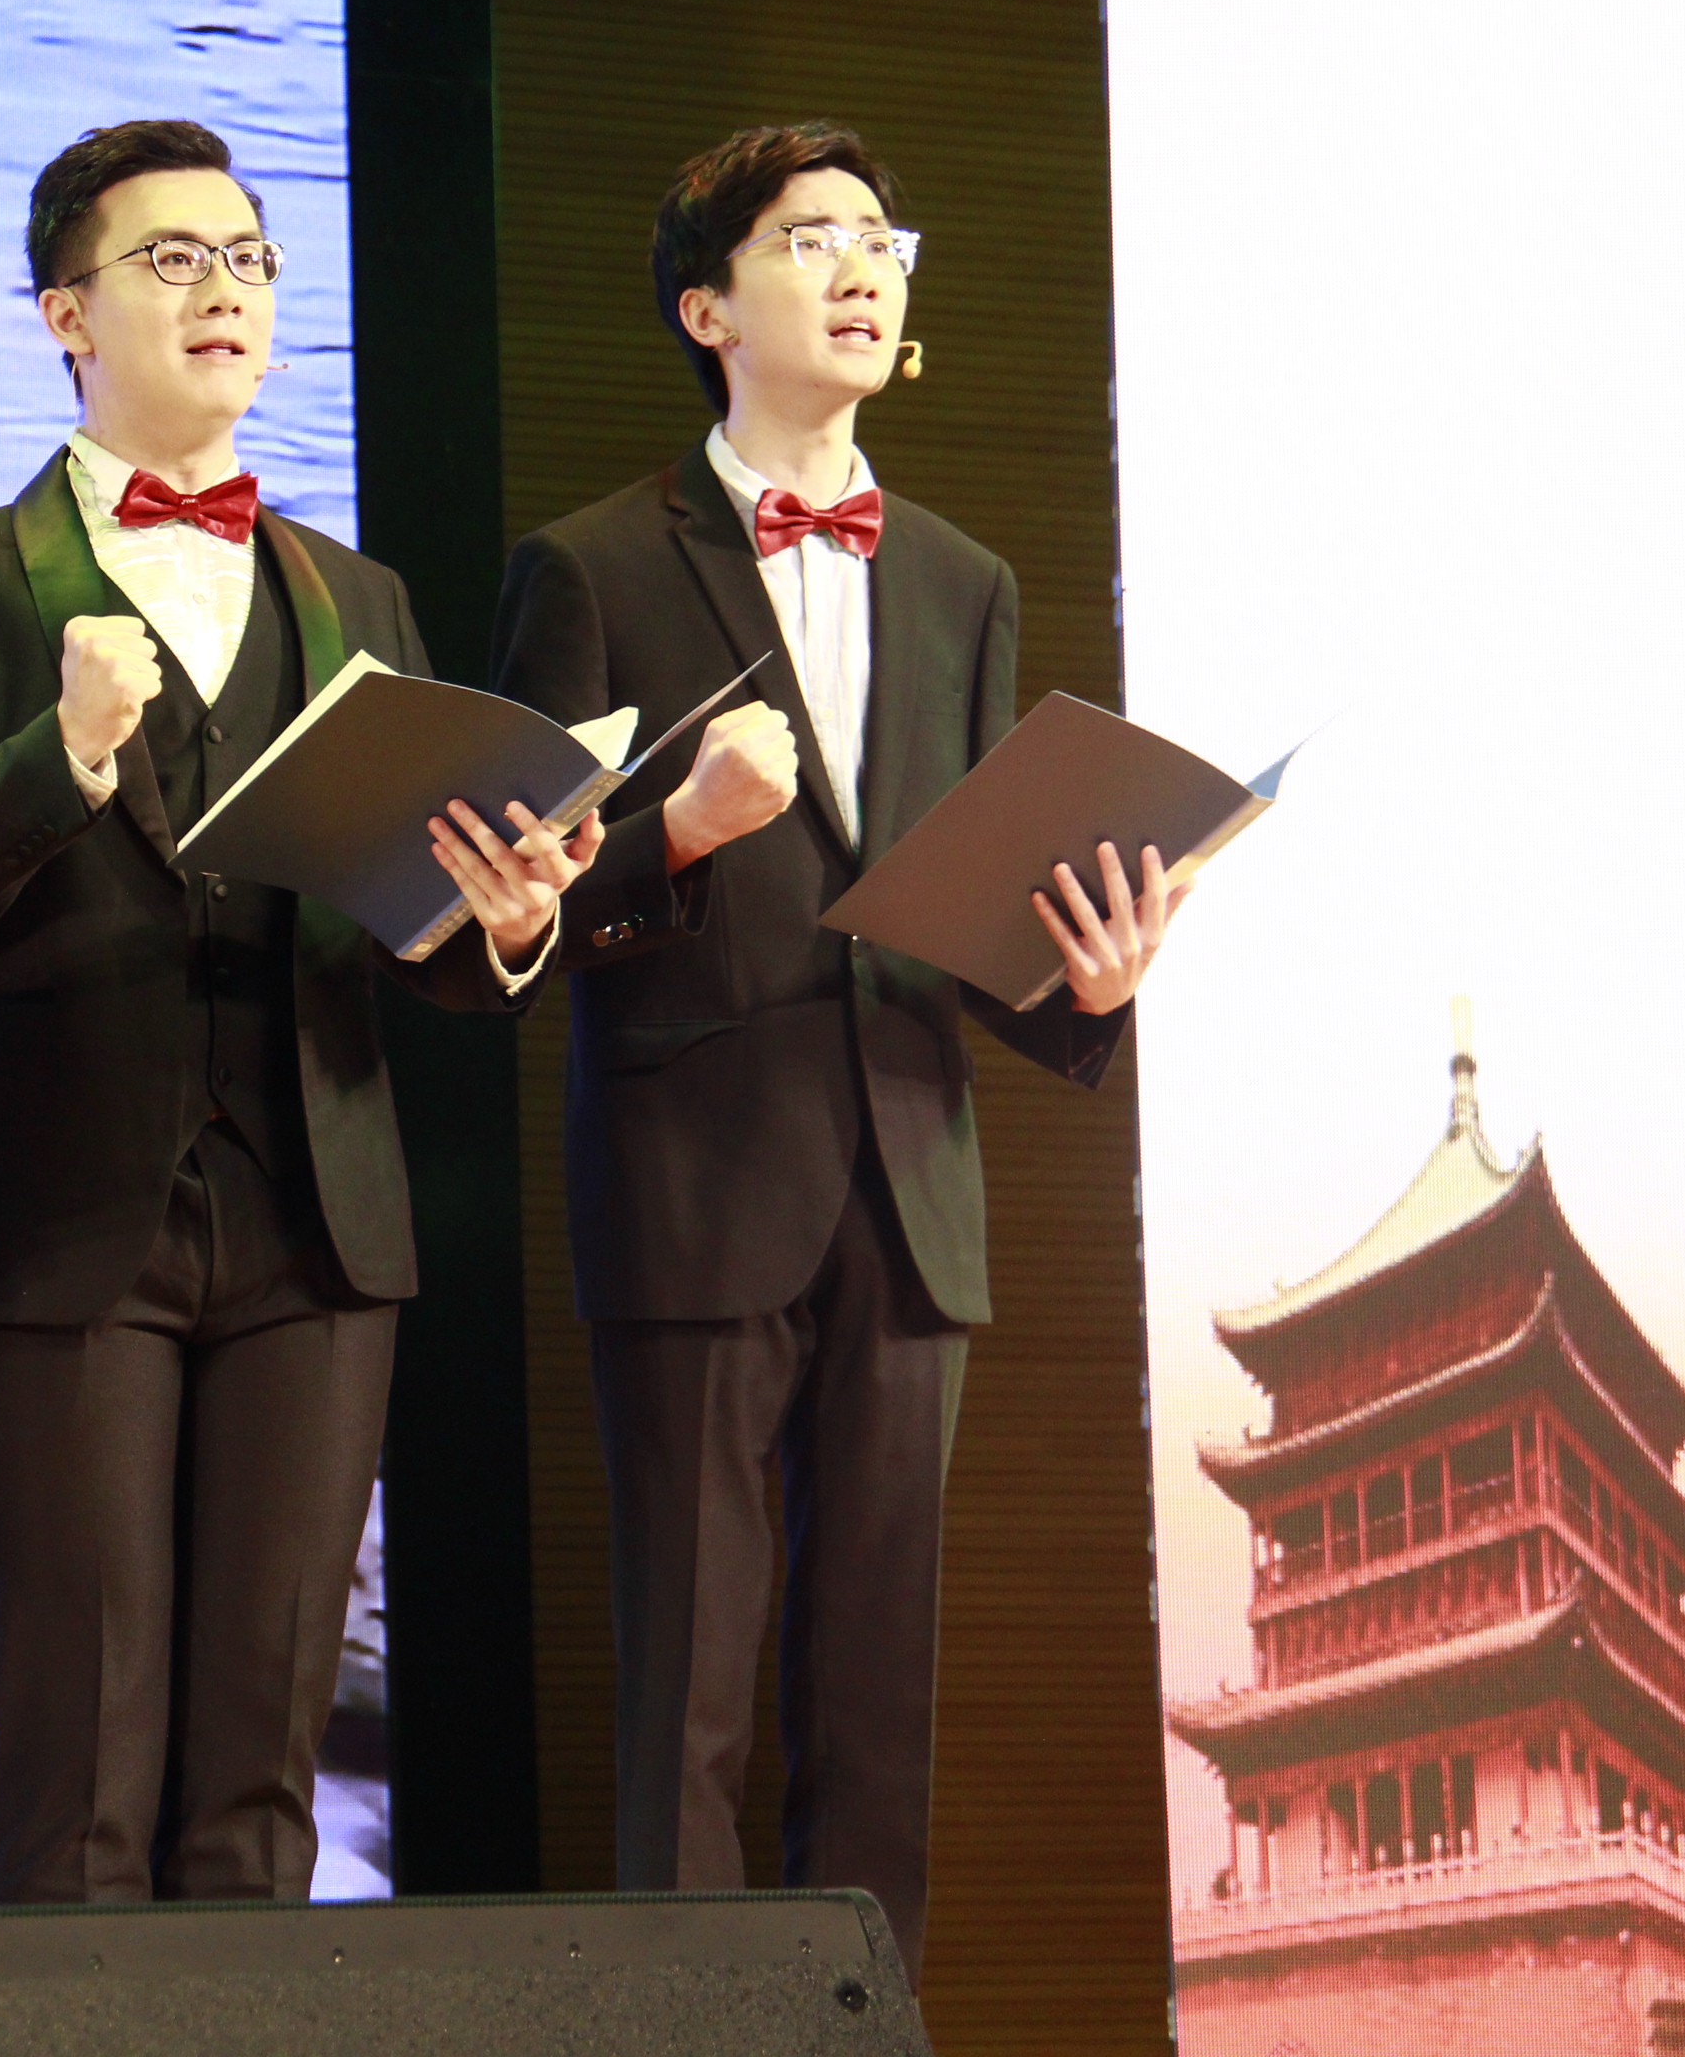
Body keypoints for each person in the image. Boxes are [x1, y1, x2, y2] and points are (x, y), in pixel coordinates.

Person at [0, 119, 592, 1905]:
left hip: (315, 1224)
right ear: (65, 314)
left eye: (246, 258)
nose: (223, 290)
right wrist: (60, 754)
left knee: (265, 1768)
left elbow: (402, 913)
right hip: (54, 1226)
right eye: (173, 259)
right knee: (79, 1754)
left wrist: (504, 921)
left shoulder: (356, 592)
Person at [490, 122, 1184, 1981]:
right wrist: (677, 833)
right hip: (694, 1181)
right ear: (707, 308)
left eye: (883, 237)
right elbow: (518, 915)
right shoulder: (588, 568)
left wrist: (1091, 982)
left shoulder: (962, 577)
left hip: (909, 1179)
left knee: (881, 1706)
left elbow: (962, 908)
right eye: (810, 239)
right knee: (689, 1703)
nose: (863, 267)